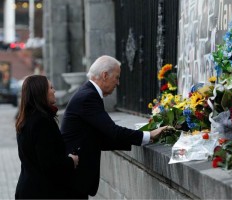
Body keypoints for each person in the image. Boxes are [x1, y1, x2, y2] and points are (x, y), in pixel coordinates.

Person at [61, 55, 167, 198]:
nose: (117, 83)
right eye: (116, 78)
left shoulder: (88, 93)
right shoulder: (88, 96)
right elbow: (113, 131)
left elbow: (100, 138)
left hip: (75, 178)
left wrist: (143, 139)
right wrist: (149, 135)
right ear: (104, 75)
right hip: (74, 177)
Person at [15, 75, 79, 199]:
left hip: (28, 190)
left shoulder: (26, 119)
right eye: (51, 88)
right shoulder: (41, 121)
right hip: (42, 192)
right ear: (41, 92)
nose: (54, 91)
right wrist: (71, 161)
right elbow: (49, 164)